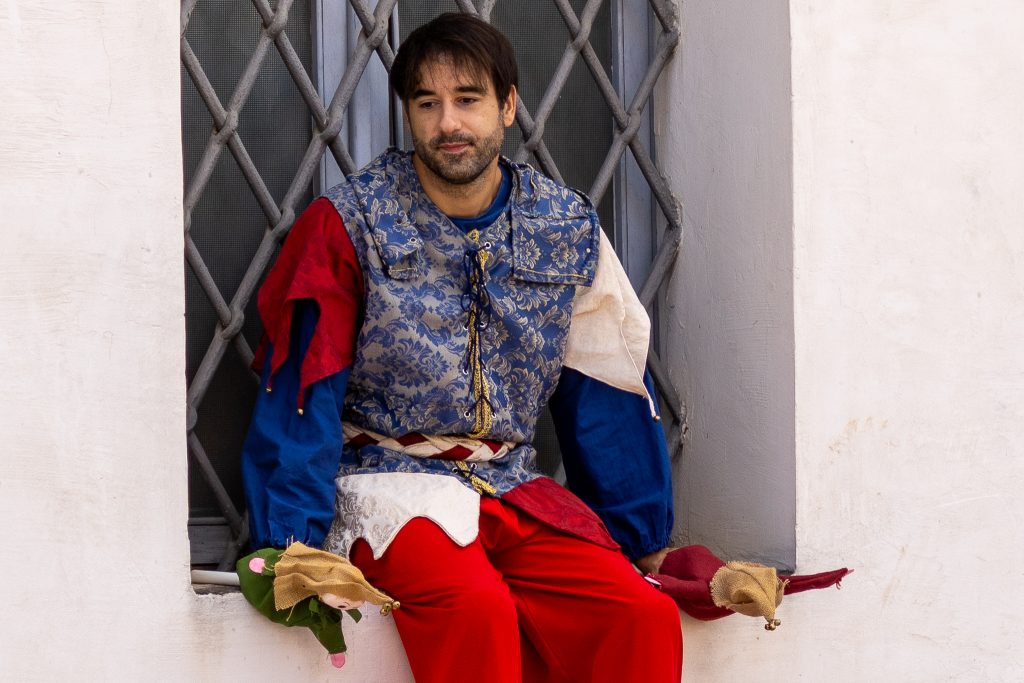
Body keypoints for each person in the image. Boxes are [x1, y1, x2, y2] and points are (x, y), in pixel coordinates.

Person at [241, 12, 683, 682]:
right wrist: (290, 541)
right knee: (474, 607)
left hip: (513, 486)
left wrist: (641, 536)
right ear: (408, 114)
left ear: (507, 105)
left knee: (638, 615)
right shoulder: (351, 222)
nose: (448, 123)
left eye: (468, 99)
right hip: (386, 484)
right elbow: (305, 386)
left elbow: (605, 387)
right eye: (427, 103)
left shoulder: (564, 228)